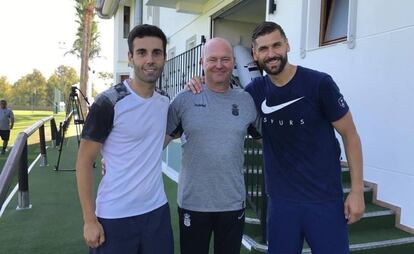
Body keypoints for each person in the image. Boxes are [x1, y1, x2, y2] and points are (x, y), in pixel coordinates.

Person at [189, 21, 365, 254]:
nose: (271, 54)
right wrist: (200, 82)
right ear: (254, 54)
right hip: (281, 204)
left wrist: (357, 191)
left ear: (287, 45)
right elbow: (223, 97)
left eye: (276, 45)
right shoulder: (254, 92)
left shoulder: (319, 84)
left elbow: (350, 135)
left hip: (324, 201)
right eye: (263, 49)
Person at [75, 24, 173, 254]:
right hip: (114, 215)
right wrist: (90, 220)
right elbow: (83, 162)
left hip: (156, 212)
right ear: (130, 57)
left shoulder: (164, 101)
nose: (150, 59)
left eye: (156, 53)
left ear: (164, 58)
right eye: (142, 53)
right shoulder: (108, 103)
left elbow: (158, 139)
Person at [165, 38, 261, 254]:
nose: (219, 65)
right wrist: (117, 159)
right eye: (213, 59)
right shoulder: (184, 99)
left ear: (234, 62)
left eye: (225, 59)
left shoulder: (246, 101)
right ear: (202, 62)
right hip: (193, 203)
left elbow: (268, 140)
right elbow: (157, 141)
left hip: (232, 203)